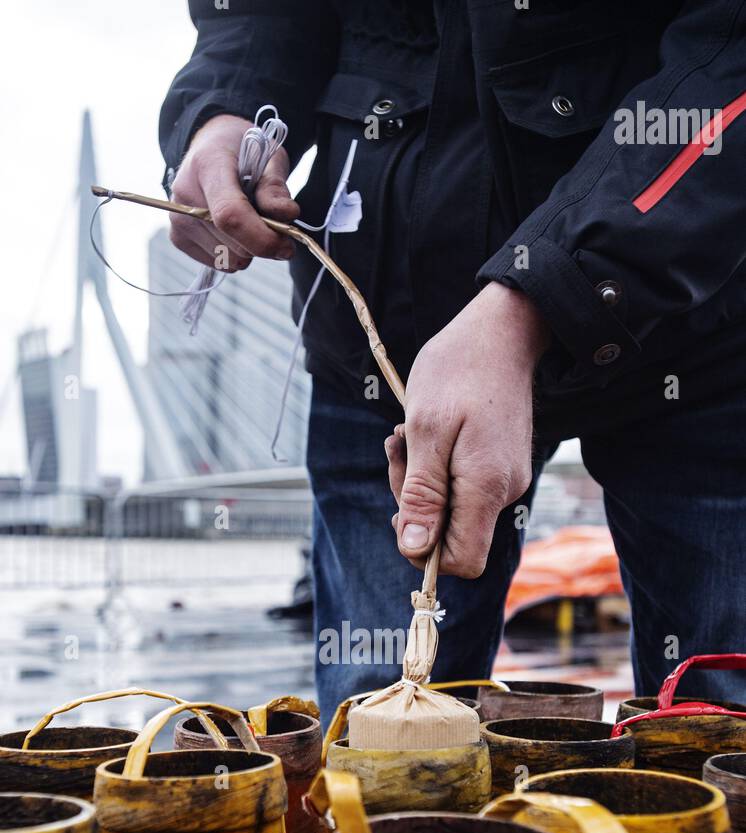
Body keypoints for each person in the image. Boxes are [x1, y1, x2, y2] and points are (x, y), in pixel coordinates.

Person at [160, 1, 746, 727]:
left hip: (693, 333)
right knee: (378, 724)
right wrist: (224, 108)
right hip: (383, 347)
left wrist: (540, 294)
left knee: (718, 721)